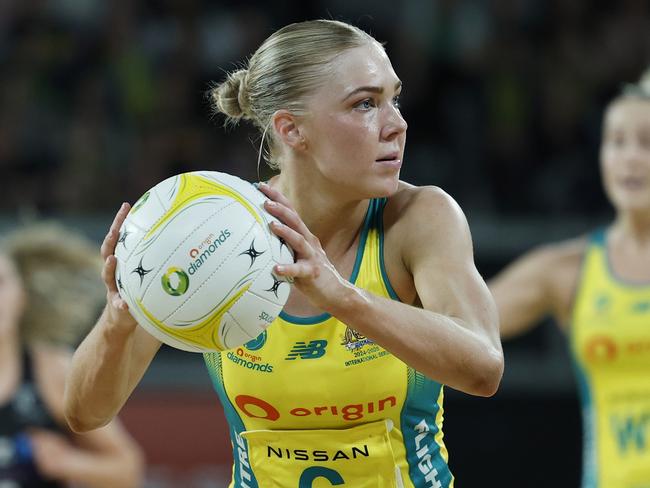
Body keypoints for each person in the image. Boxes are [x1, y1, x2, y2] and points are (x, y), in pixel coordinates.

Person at [64, 19, 504, 487]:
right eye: (365, 104)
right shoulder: (218, 234)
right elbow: (85, 414)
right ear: (292, 130)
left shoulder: (418, 218)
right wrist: (121, 316)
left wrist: (341, 296)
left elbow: (483, 368)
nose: (397, 124)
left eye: (394, 98)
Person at [489, 69, 650, 488]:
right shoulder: (568, 270)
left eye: (647, 142)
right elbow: (452, 327)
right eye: (617, 142)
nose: (631, 157)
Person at [0, 223, 144, 488]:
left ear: (22, 295)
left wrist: (67, 461)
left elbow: (128, 468)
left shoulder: (49, 368)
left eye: (0, 283)